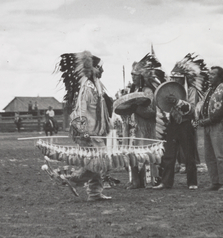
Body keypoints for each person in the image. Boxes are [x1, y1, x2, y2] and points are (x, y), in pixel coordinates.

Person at [49, 50, 113, 201]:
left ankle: (95, 193)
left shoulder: (95, 85)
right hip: (89, 134)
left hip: (96, 132)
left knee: (95, 164)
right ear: (91, 68)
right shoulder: (87, 88)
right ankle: (71, 179)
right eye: (99, 67)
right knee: (98, 163)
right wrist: (82, 132)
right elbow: (80, 111)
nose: (102, 70)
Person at [154, 54, 209, 191]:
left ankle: (192, 182)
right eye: (173, 78)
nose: (174, 80)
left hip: (186, 125)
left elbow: (192, 109)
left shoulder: (191, 91)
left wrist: (177, 102)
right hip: (173, 124)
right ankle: (166, 182)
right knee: (169, 154)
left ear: (183, 78)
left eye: (177, 78)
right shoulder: (171, 90)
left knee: (189, 155)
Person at [126, 52, 165, 188]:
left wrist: (134, 108)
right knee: (133, 154)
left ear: (142, 76)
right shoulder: (133, 89)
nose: (132, 77)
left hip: (146, 129)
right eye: (131, 75)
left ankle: (148, 180)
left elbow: (152, 112)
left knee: (146, 154)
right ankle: (135, 180)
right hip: (134, 128)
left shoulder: (148, 91)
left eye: (135, 75)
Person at [194, 65, 223, 191]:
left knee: (221, 155)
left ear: (220, 77)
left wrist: (209, 120)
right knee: (210, 156)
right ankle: (215, 182)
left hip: (219, 125)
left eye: (212, 75)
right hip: (208, 125)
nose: (209, 77)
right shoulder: (209, 91)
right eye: (209, 74)